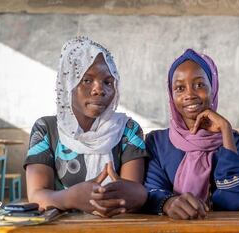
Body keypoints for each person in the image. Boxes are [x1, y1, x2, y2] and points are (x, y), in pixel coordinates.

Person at [24, 37, 148, 217]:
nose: (100, 90)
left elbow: (135, 192)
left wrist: (127, 194)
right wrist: (70, 198)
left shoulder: (128, 130)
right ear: (68, 85)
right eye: (87, 80)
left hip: (117, 226)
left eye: (108, 82)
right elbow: (36, 195)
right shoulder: (46, 129)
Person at [144, 49, 239, 219]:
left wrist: (225, 130)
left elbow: (236, 200)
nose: (190, 94)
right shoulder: (157, 142)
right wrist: (170, 203)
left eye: (199, 85)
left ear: (213, 88)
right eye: (180, 88)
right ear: (171, 95)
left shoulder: (233, 140)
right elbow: (151, 193)